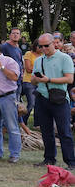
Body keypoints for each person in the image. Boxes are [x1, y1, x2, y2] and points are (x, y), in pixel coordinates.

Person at [31, 33, 75, 169]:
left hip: (60, 99)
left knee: (64, 132)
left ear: (54, 44)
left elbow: (69, 79)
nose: (43, 48)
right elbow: (33, 80)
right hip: (42, 99)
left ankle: (71, 162)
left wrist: (48, 79)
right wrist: (36, 78)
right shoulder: (39, 60)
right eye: (41, 46)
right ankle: (49, 159)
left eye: (46, 45)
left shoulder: (64, 58)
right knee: (46, 131)